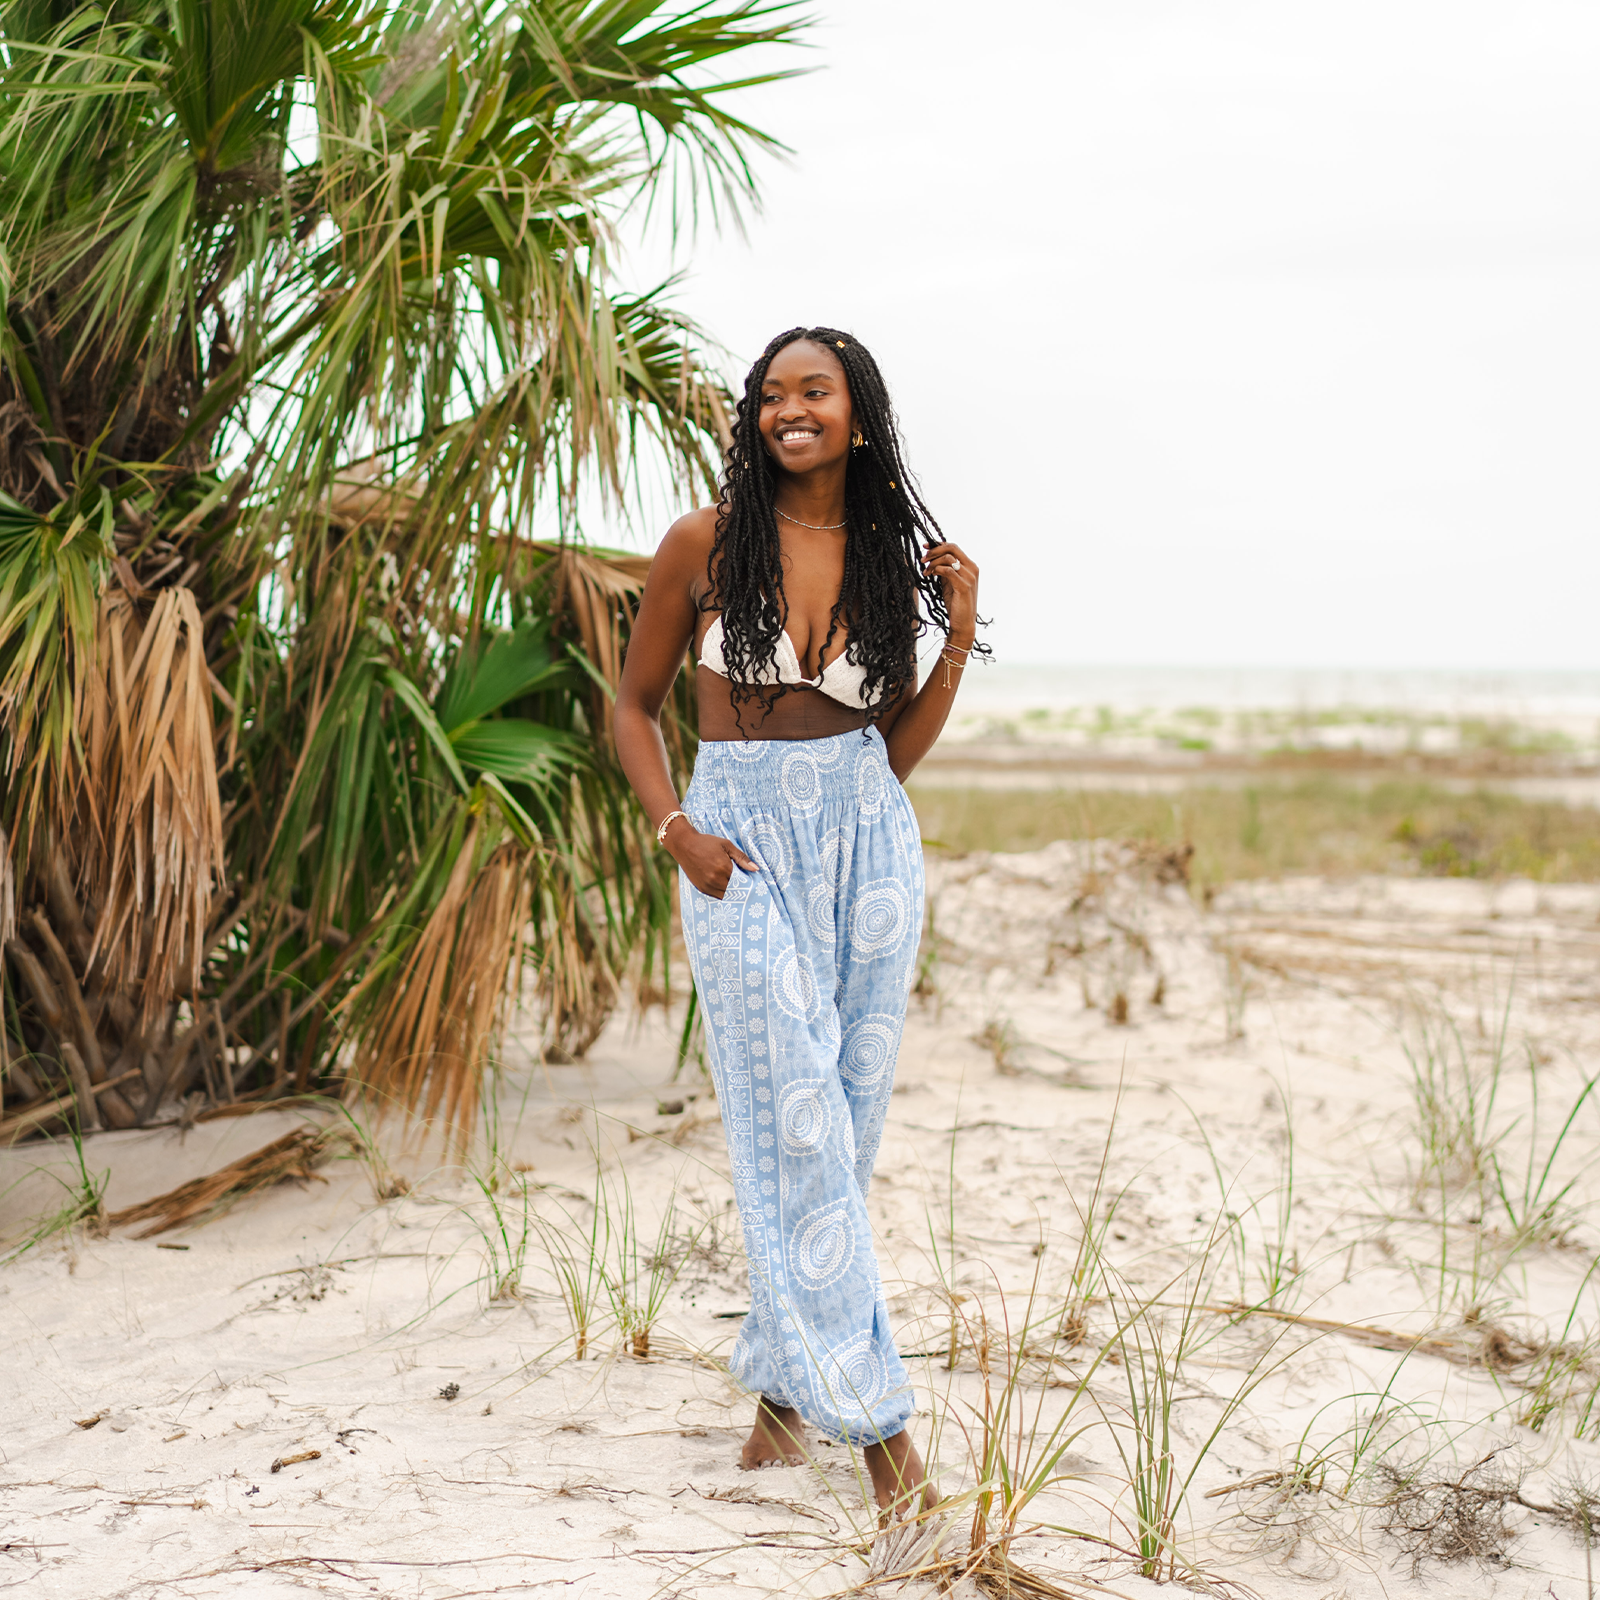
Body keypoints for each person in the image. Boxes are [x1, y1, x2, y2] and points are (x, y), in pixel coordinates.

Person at [614, 325, 982, 1515]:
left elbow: (890, 755)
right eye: (771, 394)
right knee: (800, 1127)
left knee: (844, 1125)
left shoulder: (890, 565)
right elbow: (632, 706)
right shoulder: (704, 544)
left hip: (870, 848)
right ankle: (882, 1440)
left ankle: (778, 1402)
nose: (789, 409)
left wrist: (959, 632)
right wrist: (678, 832)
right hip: (743, 851)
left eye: (813, 391)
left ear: (857, 417)